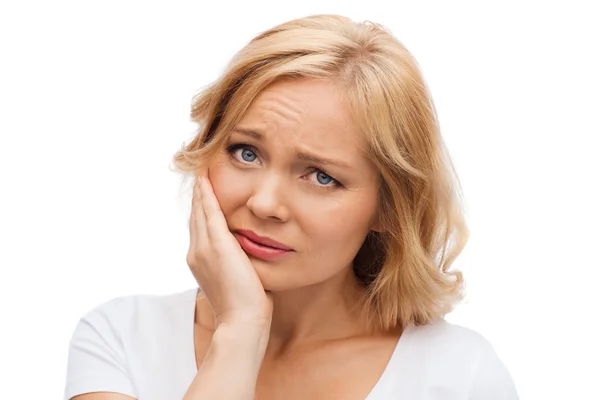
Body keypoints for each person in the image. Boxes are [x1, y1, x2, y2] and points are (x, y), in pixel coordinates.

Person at [64, 14, 519, 400]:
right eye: (245, 152)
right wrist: (240, 331)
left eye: (321, 176)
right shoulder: (121, 339)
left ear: (389, 208)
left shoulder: (459, 376)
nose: (263, 203)